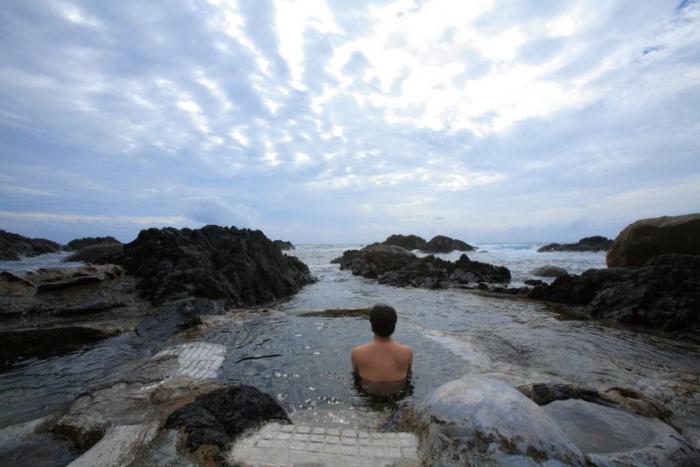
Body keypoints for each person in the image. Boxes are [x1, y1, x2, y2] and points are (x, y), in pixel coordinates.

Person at [351, 304, 413, 396]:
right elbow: (408, 373)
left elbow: (356, 375)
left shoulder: (357, 352)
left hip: (367, 395)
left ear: (372, 325)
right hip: (398, 395)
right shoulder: (407, 352)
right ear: (394, 325)